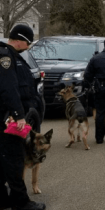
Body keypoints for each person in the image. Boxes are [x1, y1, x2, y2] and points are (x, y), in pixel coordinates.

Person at [0, 25, 46, 210]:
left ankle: (3, 199)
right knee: (14, 158)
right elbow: (9, 88)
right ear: (18, 39)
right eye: (27, 42)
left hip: (6, 115)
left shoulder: (9, 54)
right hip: (8, 117)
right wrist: (18, 115)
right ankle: (21, 202)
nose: (28, 46)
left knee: (3, 158)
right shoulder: (6, 56)